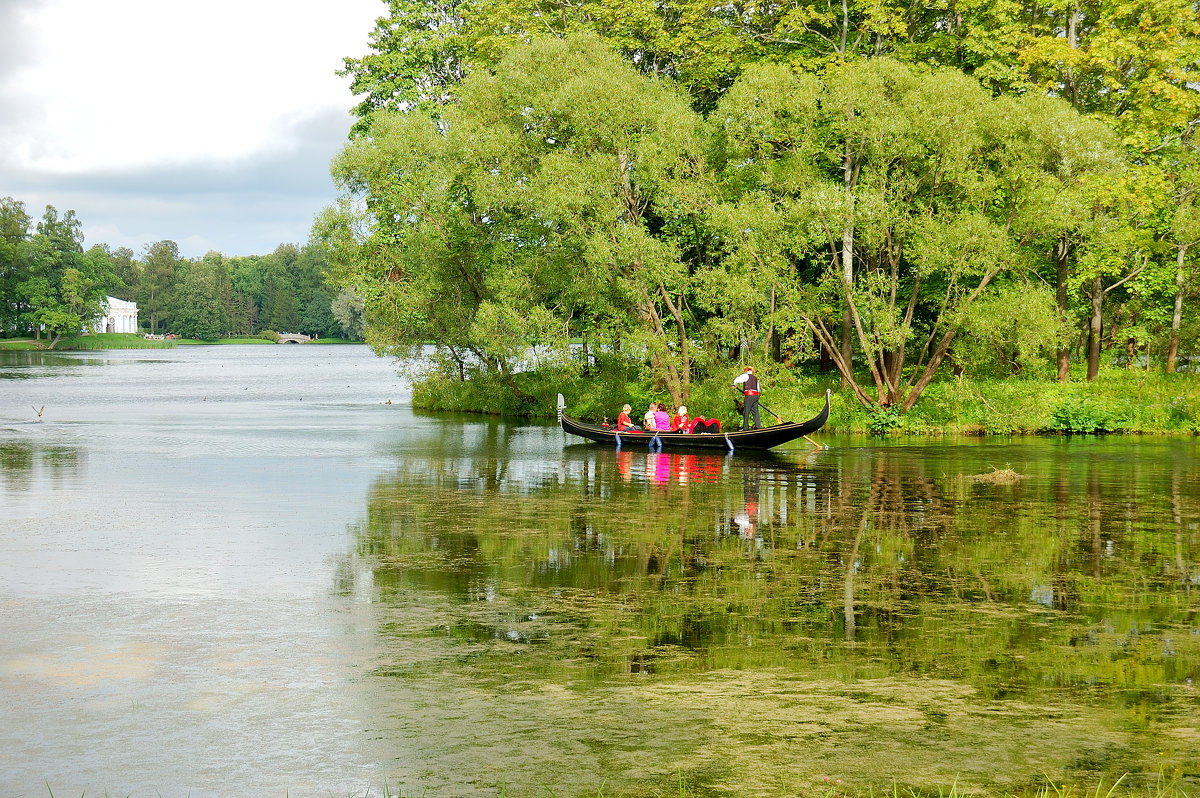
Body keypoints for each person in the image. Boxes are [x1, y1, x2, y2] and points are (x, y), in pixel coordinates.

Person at [733, 365, 762, 430]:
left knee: (746, 411)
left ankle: (745, 428)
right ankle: (758, 426)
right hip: (755, 396)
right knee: (755, 412)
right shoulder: (755, 378)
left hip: (749, 396)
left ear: (746, 370)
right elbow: (758, 389)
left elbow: (737, 380)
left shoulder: (745, 376)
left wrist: (734, 384)